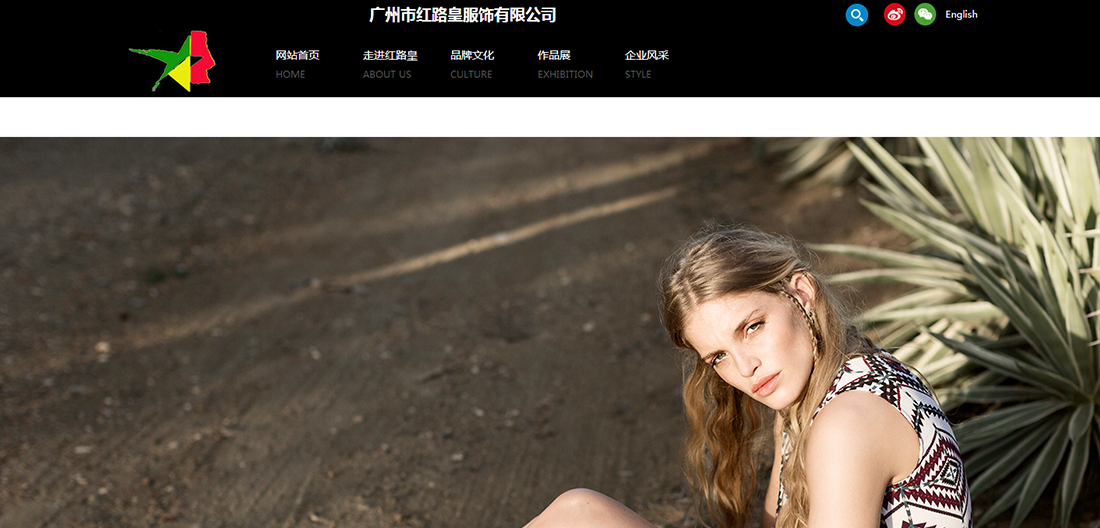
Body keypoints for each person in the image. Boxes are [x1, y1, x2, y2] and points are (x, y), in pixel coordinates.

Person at [524, 227, 971, 528]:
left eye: (752, 327)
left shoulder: (848, 421)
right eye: (718, 356)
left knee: (579, 515)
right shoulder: (820, 388)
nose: (744, 368)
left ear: (801, 293)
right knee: (578, 512)